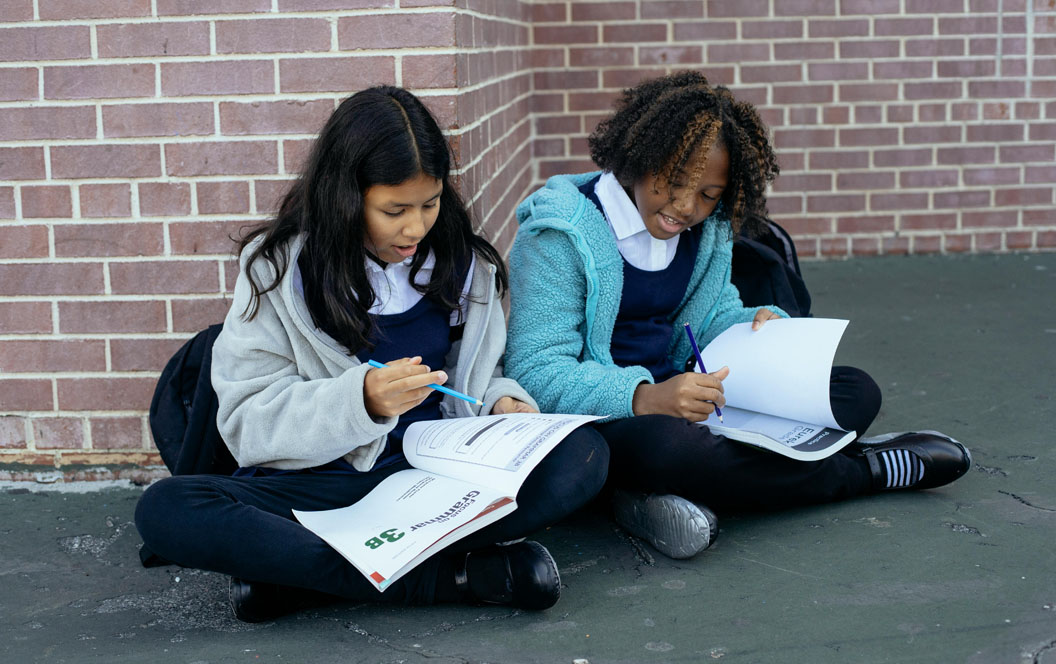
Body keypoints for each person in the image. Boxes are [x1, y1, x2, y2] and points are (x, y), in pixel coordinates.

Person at [134, 86, 608, 621]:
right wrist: (362, 400)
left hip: (439, 477)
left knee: (583, 457)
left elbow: (477, 375)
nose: (415, 228)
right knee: (167, 509)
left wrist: (500, 404)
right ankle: (449, 578)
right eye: (393, 210)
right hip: (329, 482)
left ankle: (304, 581)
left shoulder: (465, 265)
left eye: (430, 204)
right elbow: (247, 424)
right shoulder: (275, 273)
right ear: (346, 196)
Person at [505, 71, 971, 561]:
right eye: (674, 181)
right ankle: (862, 471)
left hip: (692, 398)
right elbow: (535, 369)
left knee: (855, 390)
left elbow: (708, 319)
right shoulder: (559, 234)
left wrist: (758, 326)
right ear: (639, 155)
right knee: (673, 451)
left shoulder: (706, 231)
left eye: (708, 194)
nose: (685, 207)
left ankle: (661, 496)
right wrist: (644, 397)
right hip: (610, 419)